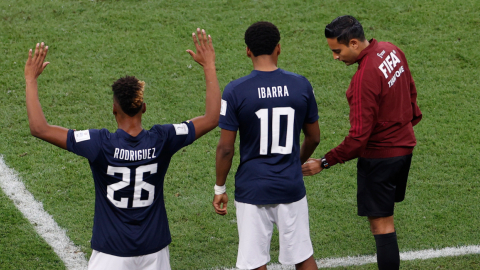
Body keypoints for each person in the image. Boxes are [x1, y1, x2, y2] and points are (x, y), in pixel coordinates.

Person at [24, 28, 220, 270]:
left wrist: (30, 80)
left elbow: (39, 128)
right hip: (155, 251)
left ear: (114, 110)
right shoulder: (162, 139)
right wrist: (209, 65)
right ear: (144, 108)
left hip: (111, 253)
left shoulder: (99, 143)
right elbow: (212, 118)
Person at [302, 15, 422, 270]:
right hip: (404, 148)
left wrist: (323, 162)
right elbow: (411, 93)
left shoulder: (363, 80)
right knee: (386, 220)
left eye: (337, 50)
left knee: (382, 225)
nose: (335, 57)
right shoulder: (392, 50)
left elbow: (358, 139)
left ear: (354, 43)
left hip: (380, 158)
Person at [213, 21, 320, 270]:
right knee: (303, 256)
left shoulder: (235, 91)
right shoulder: (301, 85)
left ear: (247, 51)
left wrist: (220, 187)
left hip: (252, 188)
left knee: (254, 261)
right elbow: (314, 137)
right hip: (290, 185)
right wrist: (295, 162)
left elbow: (226, 148)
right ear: (278, 48)